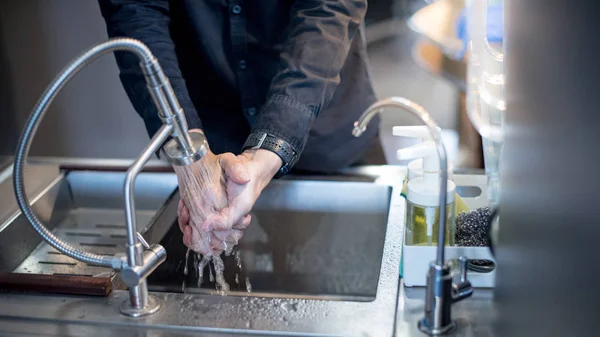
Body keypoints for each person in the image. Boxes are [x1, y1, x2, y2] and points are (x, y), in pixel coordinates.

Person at [98, 0, 386, 255]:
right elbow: (136, 13)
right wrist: (189, 152)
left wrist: (269, 148)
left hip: (327, 141)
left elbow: (328, 9)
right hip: (212, 158)